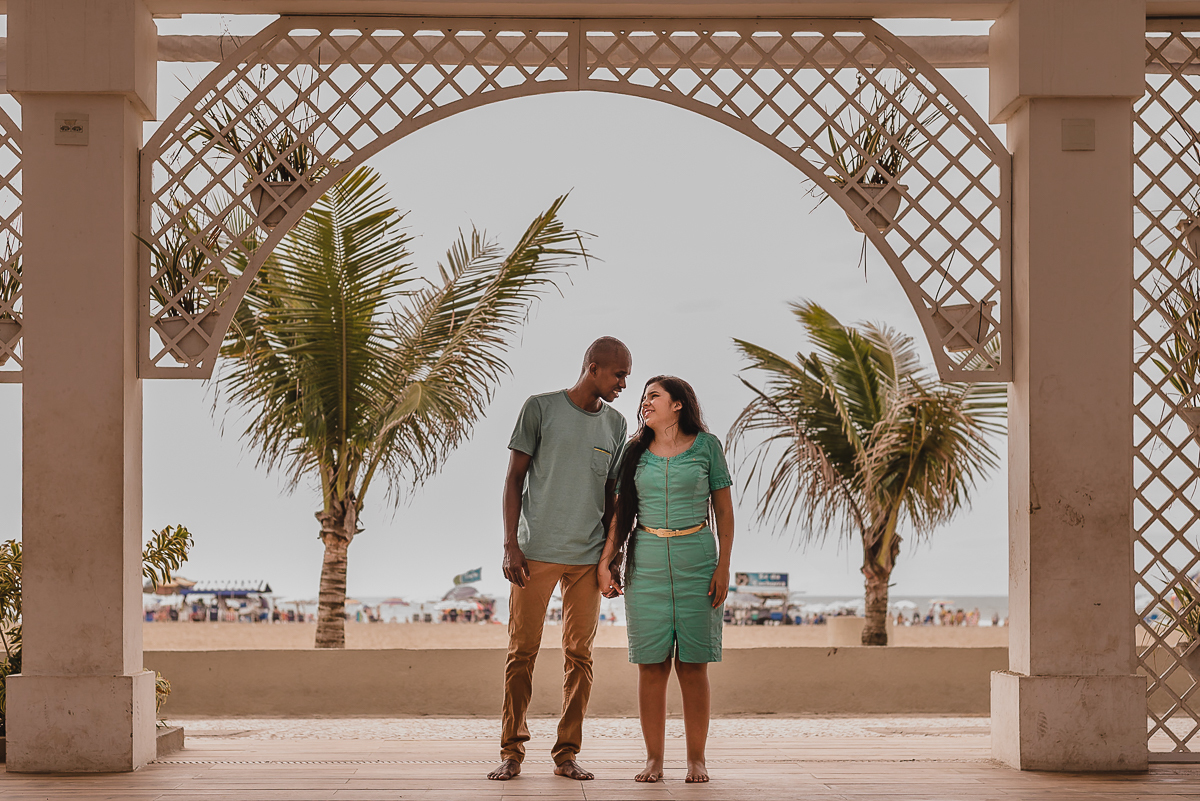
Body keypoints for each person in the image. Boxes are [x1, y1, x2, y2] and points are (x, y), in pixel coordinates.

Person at [487, 337, 632, 783]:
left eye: (626, 376)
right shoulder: (540, 409)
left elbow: (612, 496)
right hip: (535, 554)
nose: (624, 384)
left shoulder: (616, 424)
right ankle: (512, 751)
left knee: (580, 656)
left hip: (587, 559)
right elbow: (514, 479)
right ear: (593, 368)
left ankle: (566, 753)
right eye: (618, 375)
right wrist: (511, 545)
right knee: (521, 653)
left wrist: (613, 553)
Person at [597, 376, 734, 784]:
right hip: (647, 559)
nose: (644, 402)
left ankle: (697, 760)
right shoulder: (634, 451)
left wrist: (724, 566)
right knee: (651, 666)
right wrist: (606, 562)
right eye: (643, 397)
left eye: (654, 396)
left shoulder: (708, 447)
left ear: (678, 404)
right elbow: (621, 515)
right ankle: (654, 760)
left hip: (698, 559)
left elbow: (724, 513)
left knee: (694, 665)